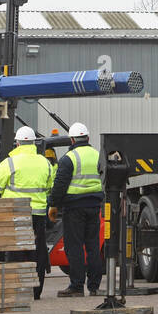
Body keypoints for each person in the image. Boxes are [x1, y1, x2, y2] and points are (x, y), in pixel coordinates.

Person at [0, 126, 55, 299]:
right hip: (38, 215)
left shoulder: (9, 163)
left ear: (17, 143)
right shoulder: (45, 163)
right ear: (33, 143)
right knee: (37, 252)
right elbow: (49, 187)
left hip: (16, 214)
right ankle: (35, 291)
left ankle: (16, 290)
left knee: (16, 251)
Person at [48, 122, 104, 298]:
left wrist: (53, 204)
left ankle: (77, 286)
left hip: (74, 208)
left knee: (75, 247)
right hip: (95, 206)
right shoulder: (97, 155)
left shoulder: (69, 158)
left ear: (72, 139)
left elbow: (59, 186)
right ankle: (94, 287)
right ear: (87, 138)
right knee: (93, 246)